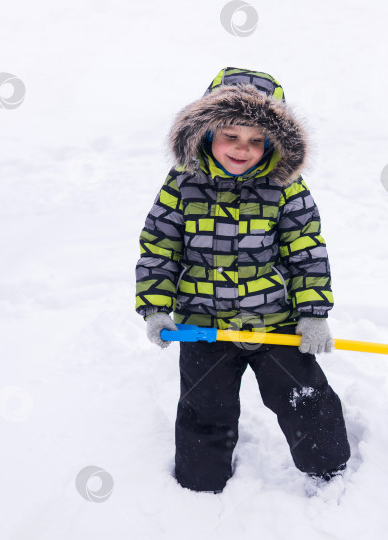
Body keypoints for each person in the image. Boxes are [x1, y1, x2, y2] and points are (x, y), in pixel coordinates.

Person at [134, 67, 351, 493]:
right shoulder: (181, 184)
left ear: (274, 144)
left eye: (256, 140)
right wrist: (156, 308)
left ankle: (329, 469)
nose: (242, 149)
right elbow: (159, 246)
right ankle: (200, 484)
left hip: (273, 321)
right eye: (231, 135)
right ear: (205, 131)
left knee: (304, 397)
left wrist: (312, 313)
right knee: (203, 407)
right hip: (203, 326)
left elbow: (305, 249)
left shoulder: (285, 187)